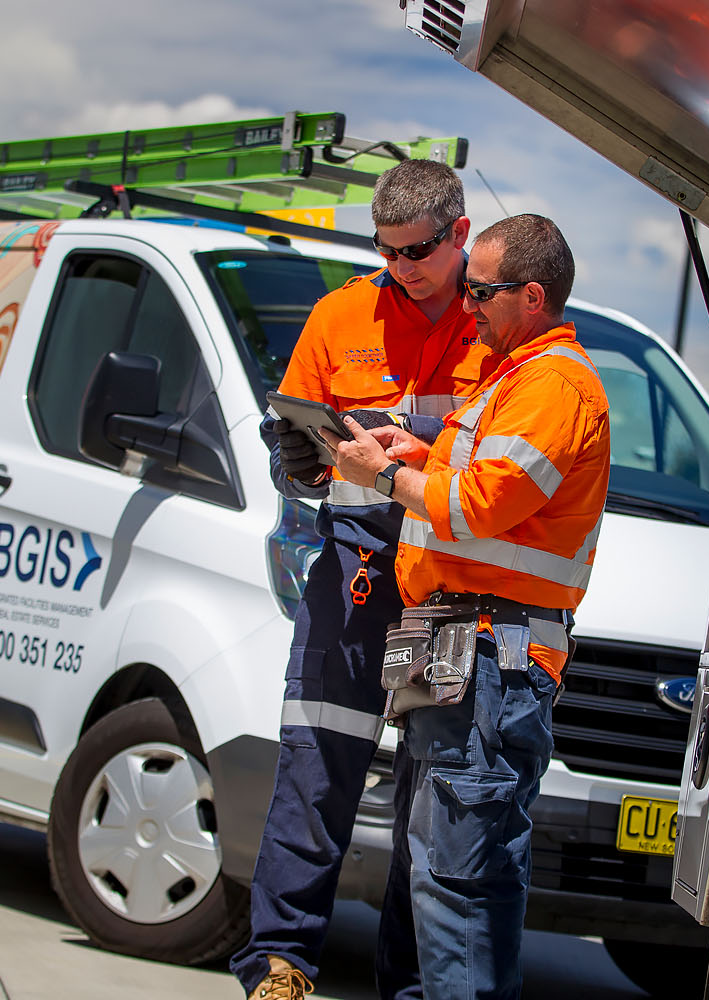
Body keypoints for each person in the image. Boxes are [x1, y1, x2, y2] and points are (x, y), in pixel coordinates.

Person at [328, 214, 610, 999]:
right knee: (436, 871)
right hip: (460, 640)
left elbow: (480, 505)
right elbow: (477, 482)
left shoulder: (554, 383)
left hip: (487, 649)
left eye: (481, 291)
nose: (468, 304)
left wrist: (379, 475)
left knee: (459, 880)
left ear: (531, 295)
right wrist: (421, 453)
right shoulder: (514, 374)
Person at [231, 159, 493, 1000]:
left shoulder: (499, 336)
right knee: (316, 761)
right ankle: (280, 965)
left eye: (416, 250)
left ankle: (409, 988)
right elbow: (289, 445)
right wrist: (301, 465)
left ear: (459, 235)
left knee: (430, 795)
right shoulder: (340, 313)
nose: (400, 267)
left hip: (446, 592)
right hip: (355, 572)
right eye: (385, 250)